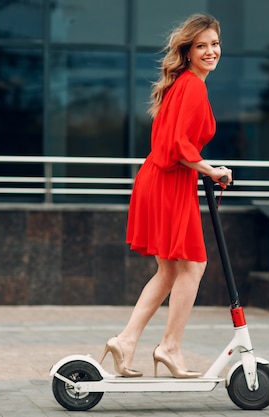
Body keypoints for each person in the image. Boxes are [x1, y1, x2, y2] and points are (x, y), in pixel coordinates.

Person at [99, 13, 232, 379]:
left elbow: (179, 142)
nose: (210, 51)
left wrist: (205, 165)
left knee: (170, 270)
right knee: (194, 265)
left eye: (214, 44)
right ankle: (170, 347)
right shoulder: (192, 86)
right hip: (168, 182)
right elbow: (176, 144)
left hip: (161, 179)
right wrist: (210, 169)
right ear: (187, 52)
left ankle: (126, 341)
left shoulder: (185, 85)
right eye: (201, 46)